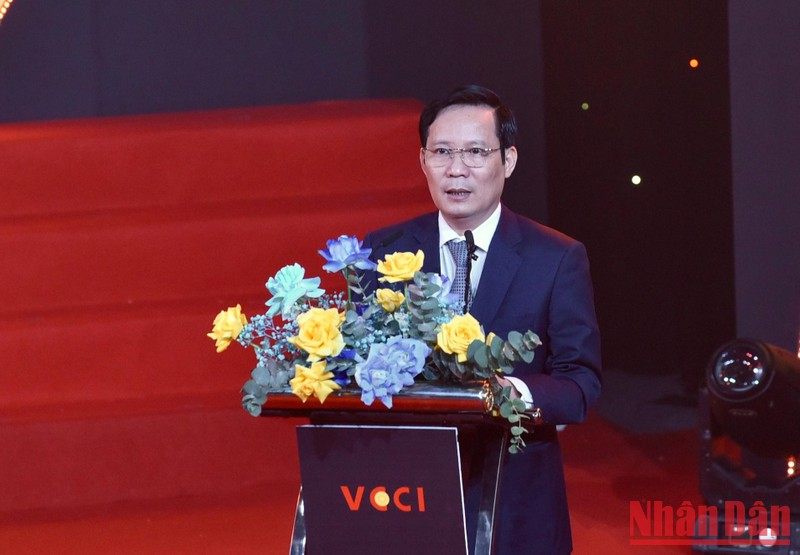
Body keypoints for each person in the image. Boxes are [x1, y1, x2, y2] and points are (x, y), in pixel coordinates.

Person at [363, 85, 602, 554]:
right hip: (408, 494)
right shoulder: (383, 250)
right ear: (423, 161)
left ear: (508, 160)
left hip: (516, 497)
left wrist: (509, 392)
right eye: (442, 152)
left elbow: (580, 385)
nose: (457, 169)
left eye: (475, 152)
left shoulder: (556, 258)